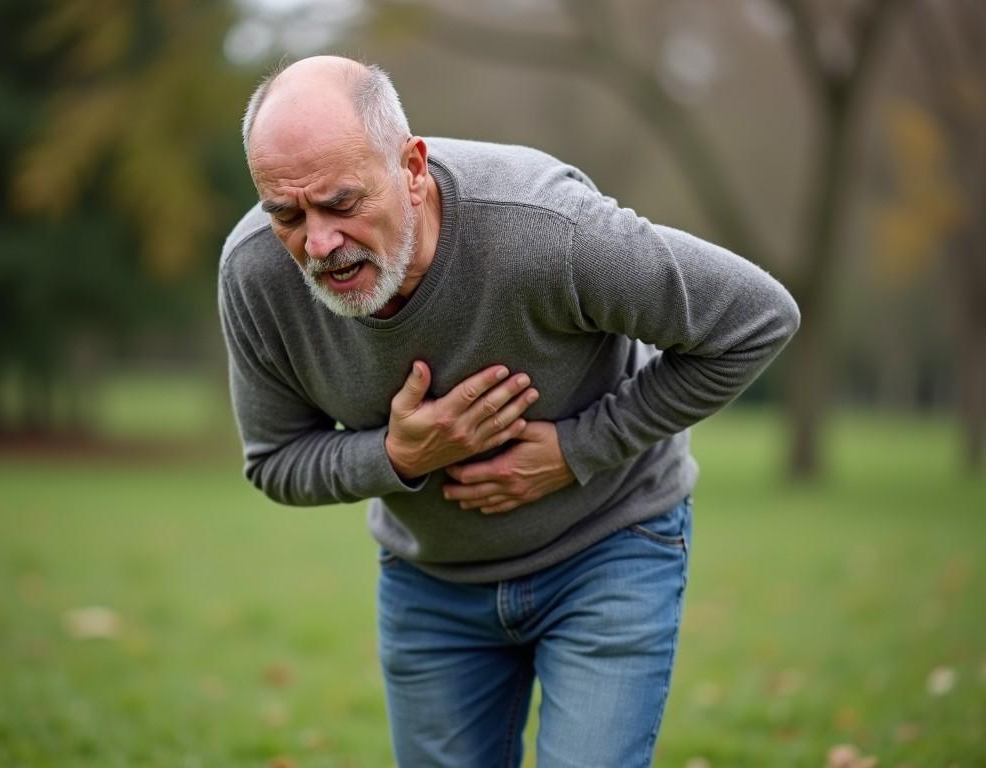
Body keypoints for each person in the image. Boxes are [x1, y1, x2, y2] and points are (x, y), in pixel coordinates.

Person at [219, 55, 799, 767]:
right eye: (286, 214)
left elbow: (756, 319)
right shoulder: (252, 273)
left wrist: (576, 450)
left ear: (412, 166)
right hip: (433, 585)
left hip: (607, 549)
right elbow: (273, 460)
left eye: (341, 203)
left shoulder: (548, 229)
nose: (317, 243)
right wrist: (398, 456)